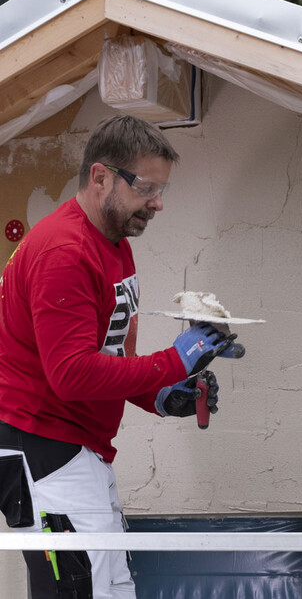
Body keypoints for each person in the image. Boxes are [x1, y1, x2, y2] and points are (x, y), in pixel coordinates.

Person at [0, 114, 243, 598]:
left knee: (112, 589)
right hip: (41, 444)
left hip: (78, 446)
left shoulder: (114, 242)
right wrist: (174, 361)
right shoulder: (63, 251)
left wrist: (161, 394)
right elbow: (70, 374)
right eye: (146, 187)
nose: (156, 203)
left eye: (162, 190)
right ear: (100, 177)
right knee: (78, 591)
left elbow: (107, 358)